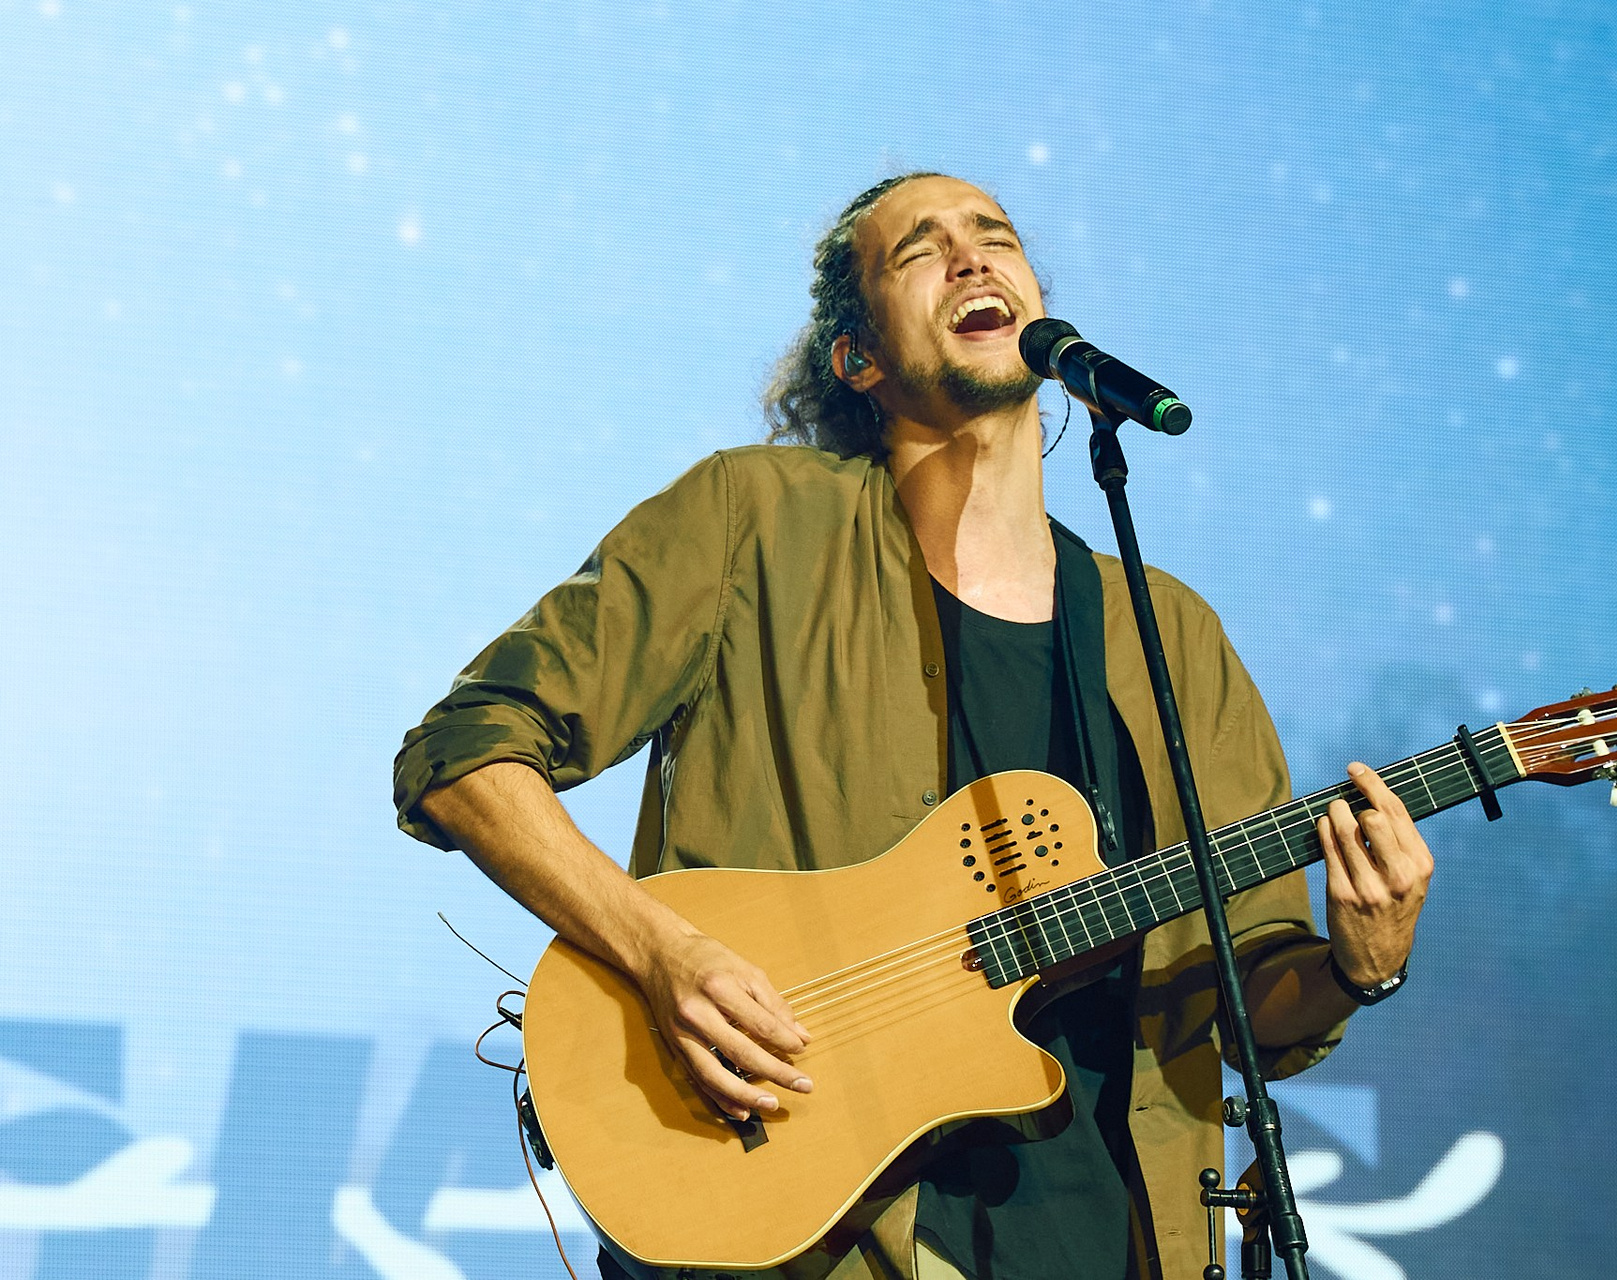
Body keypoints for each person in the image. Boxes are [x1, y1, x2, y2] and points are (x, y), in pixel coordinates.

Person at [393, 172, 1436, 1280]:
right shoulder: (755, 524)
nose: (974, 258)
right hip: (822, 1239)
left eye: (997, 238)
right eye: (921, 251)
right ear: (858, 358)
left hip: (1111, 1240)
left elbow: (1250, 1004)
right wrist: (660, 952)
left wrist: (1359, 964)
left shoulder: (1167, 632)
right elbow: (463, 752)